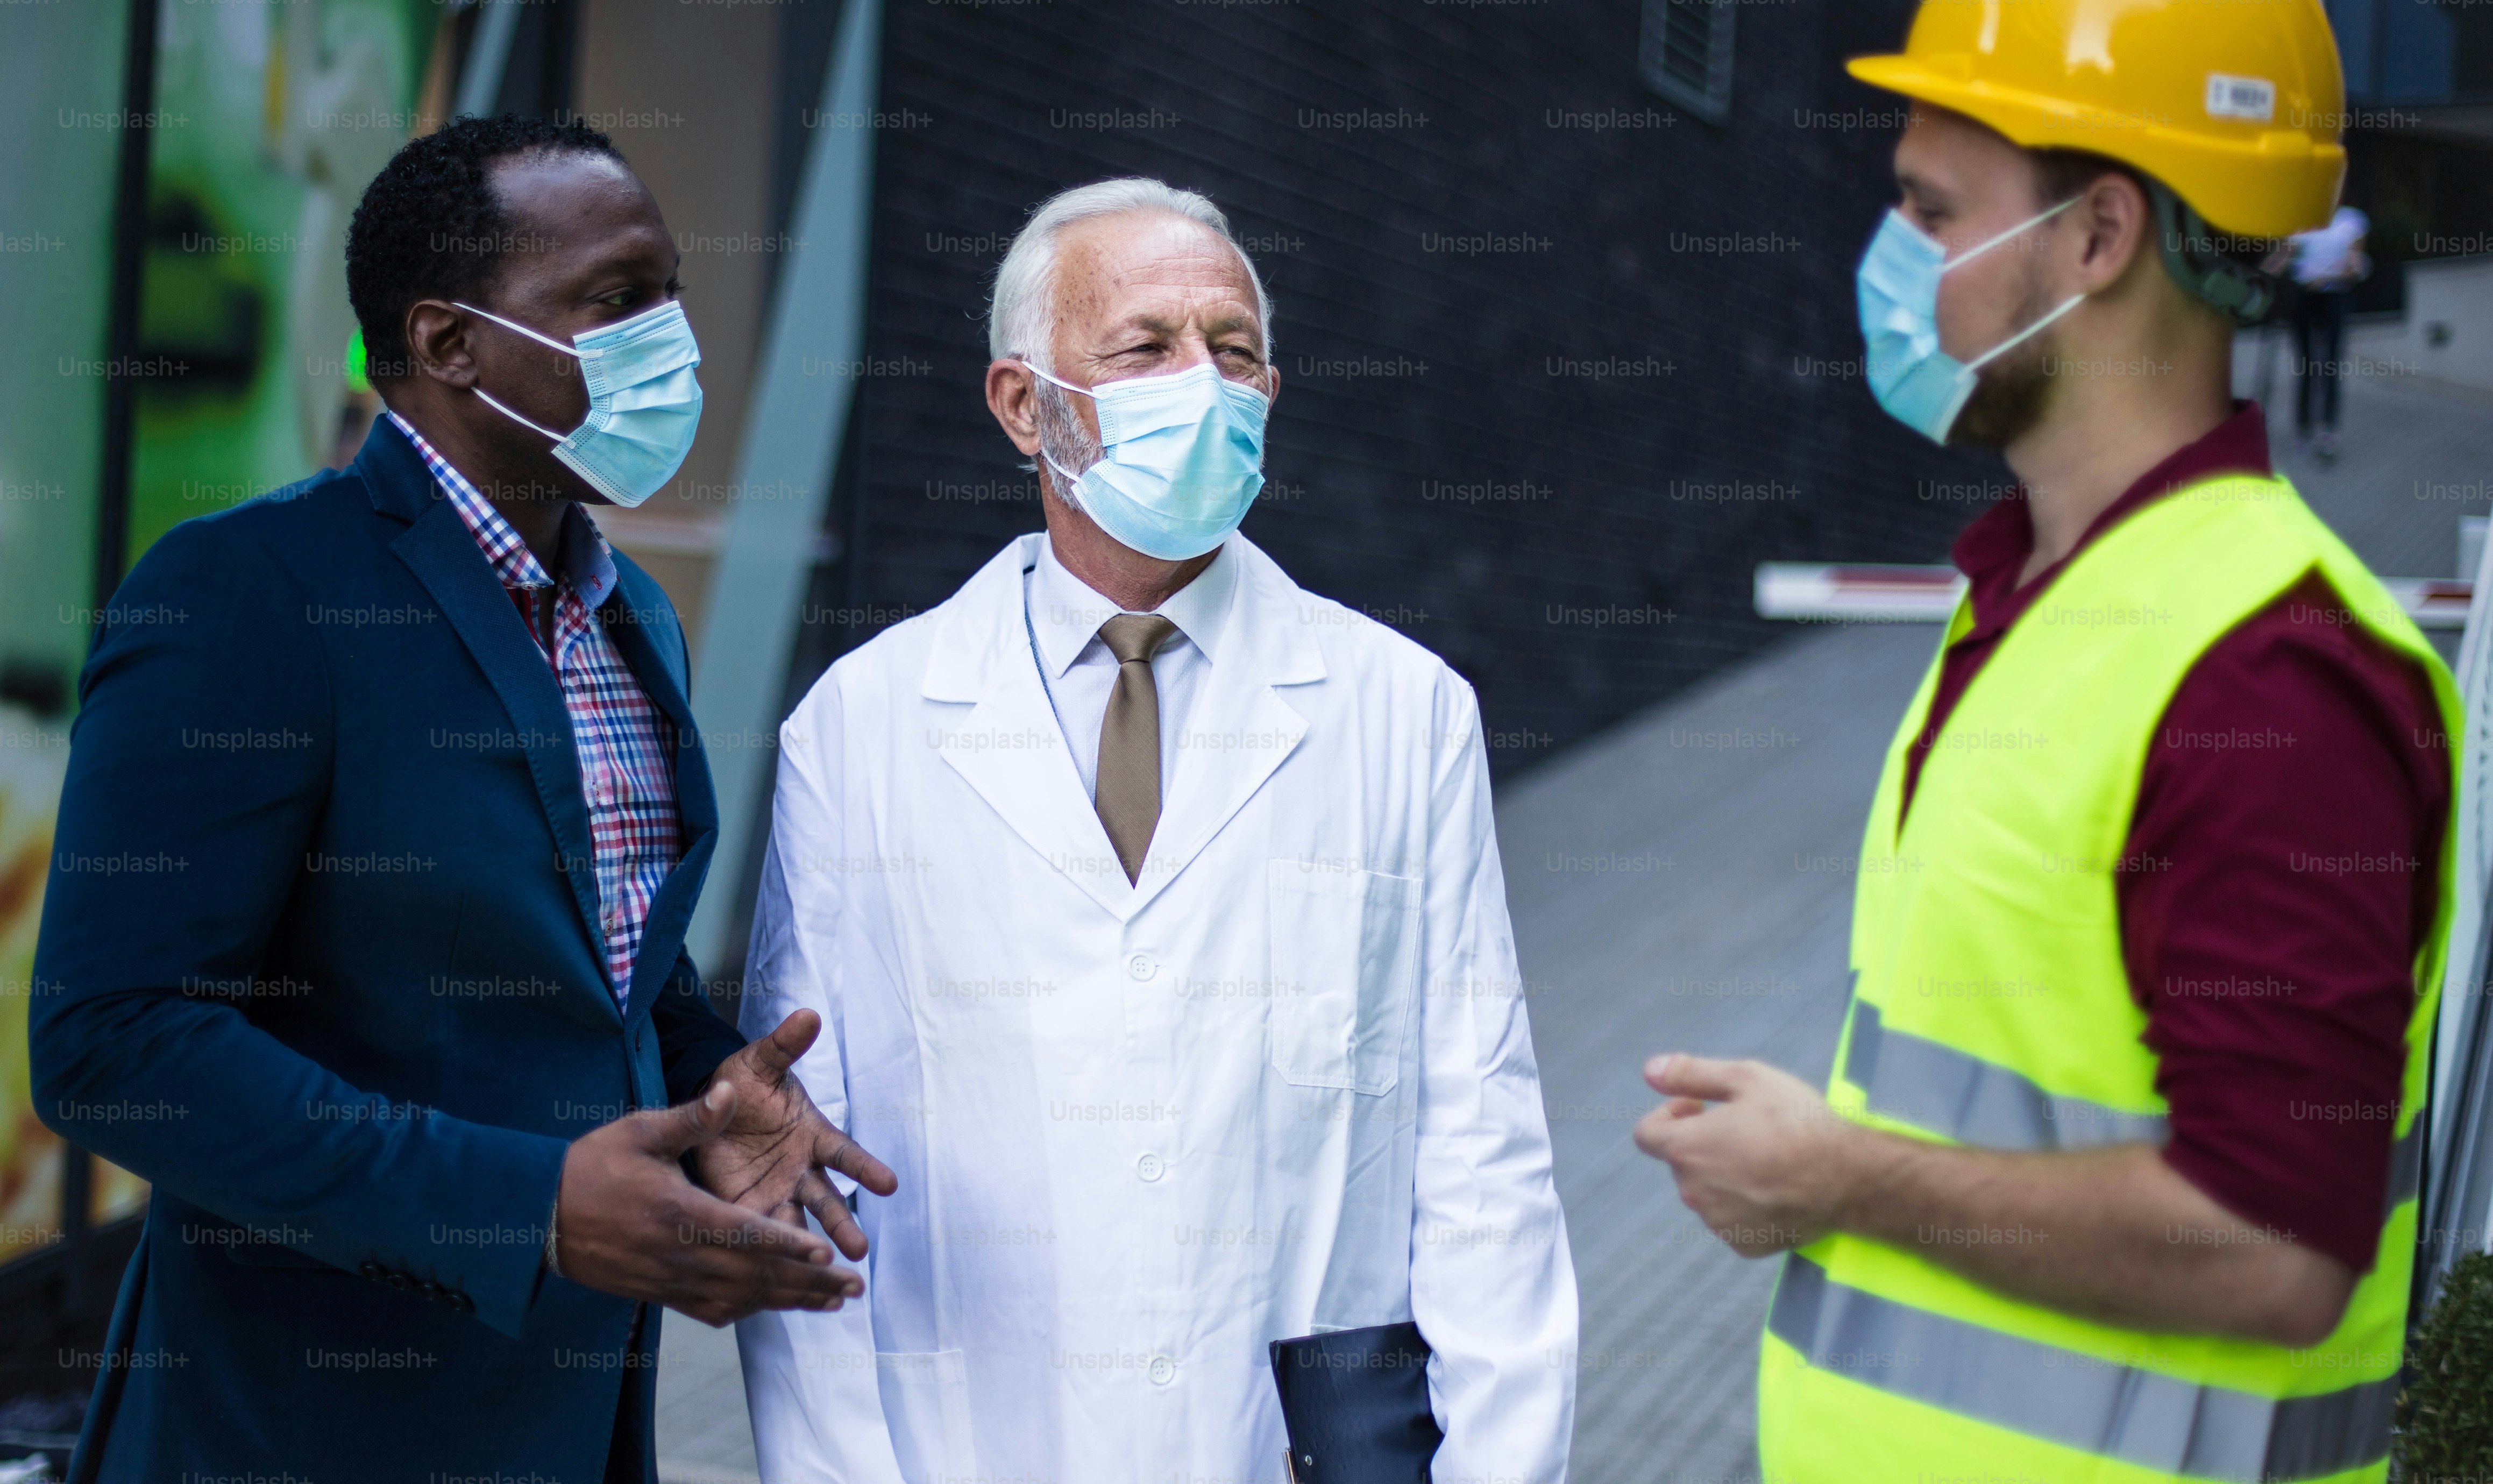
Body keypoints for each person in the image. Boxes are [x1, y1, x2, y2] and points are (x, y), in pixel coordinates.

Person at [1632, 0, 2455, 1484]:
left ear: (2097, 237)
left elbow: (2277, 1245)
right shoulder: (2035, 594)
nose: (1895, 262)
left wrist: (1839, 1176)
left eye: (1933, 212)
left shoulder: (2271, 673)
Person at [31, 113, 895, 1484]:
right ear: (446, 343)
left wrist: (711, 1077)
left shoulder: (633, 614)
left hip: (569, 1421)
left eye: (668, 292)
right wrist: (524, 1205)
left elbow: (601, 965)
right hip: (299, 1430)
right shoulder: (250, 591)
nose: (670, 341)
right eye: (616, 299)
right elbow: (115, 1038)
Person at [733, 177, 1577, 1480]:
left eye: (1233, 350)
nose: (1203, 382)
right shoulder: (861, 723)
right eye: (1146, 347)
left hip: (1290, 1442)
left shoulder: (1403, 709)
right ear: (1025, 404)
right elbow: (804, 1162)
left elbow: (1481, 1142)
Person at [2269, 204, 2371, 460]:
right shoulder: (2302, 218)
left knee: (2331, 364)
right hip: (2303, 297)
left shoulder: (2351, 220)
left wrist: (2327, 277)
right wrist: (2267, 271)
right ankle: (2303, 428)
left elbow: (2355, 263)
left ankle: (2327, 430)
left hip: (2335, 296)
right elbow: (2284, 255)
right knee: (2305, 364)